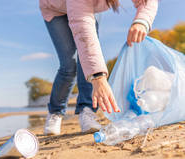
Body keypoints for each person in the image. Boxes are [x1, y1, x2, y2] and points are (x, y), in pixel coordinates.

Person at [39, 0, 158, 135]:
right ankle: (55, 112)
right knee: (69, 66)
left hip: (87, 6)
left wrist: (142, 21)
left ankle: (87, 110)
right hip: (55, 9)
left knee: (85, 63)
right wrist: (98, 76)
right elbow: (82, 27)